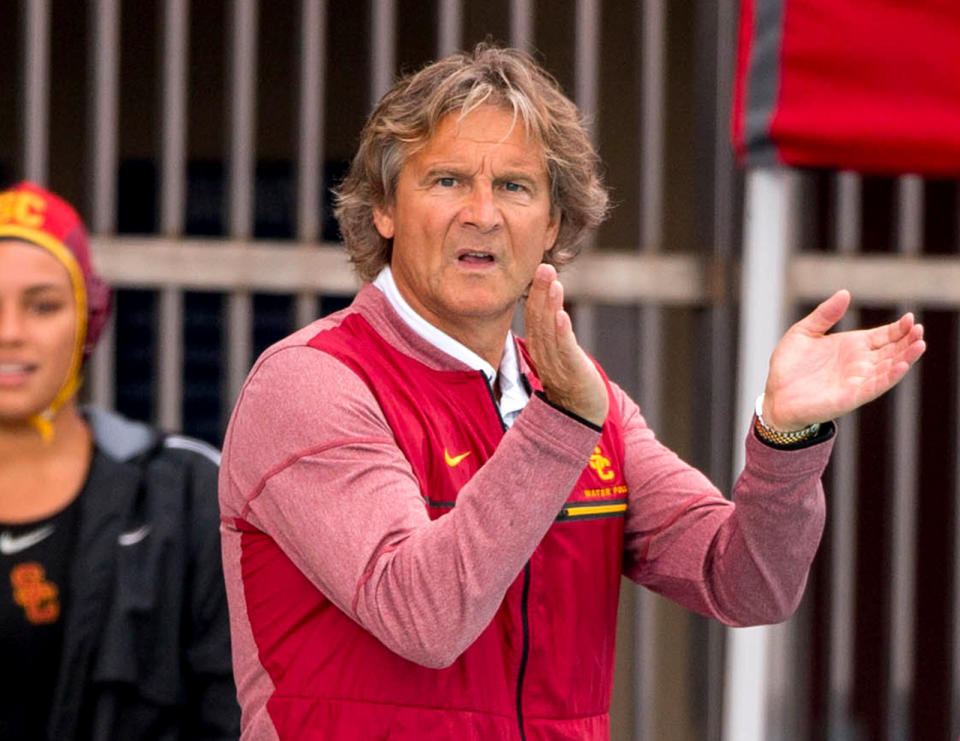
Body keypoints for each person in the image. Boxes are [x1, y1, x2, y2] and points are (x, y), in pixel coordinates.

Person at [218, 45, 926, 740]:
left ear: (553, 226)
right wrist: (558, 421)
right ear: (383, 209)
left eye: (516, 187)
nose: (483, 213)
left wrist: (785, 439)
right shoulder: (311, 383)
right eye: (447, 181)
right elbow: (422, 614)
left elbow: (745, 584)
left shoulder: (586, 403)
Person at [0, 181, 240, 740]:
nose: (10, 333)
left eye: (42, 306)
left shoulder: (184, 494)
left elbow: (236, 709)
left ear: (90, 317)